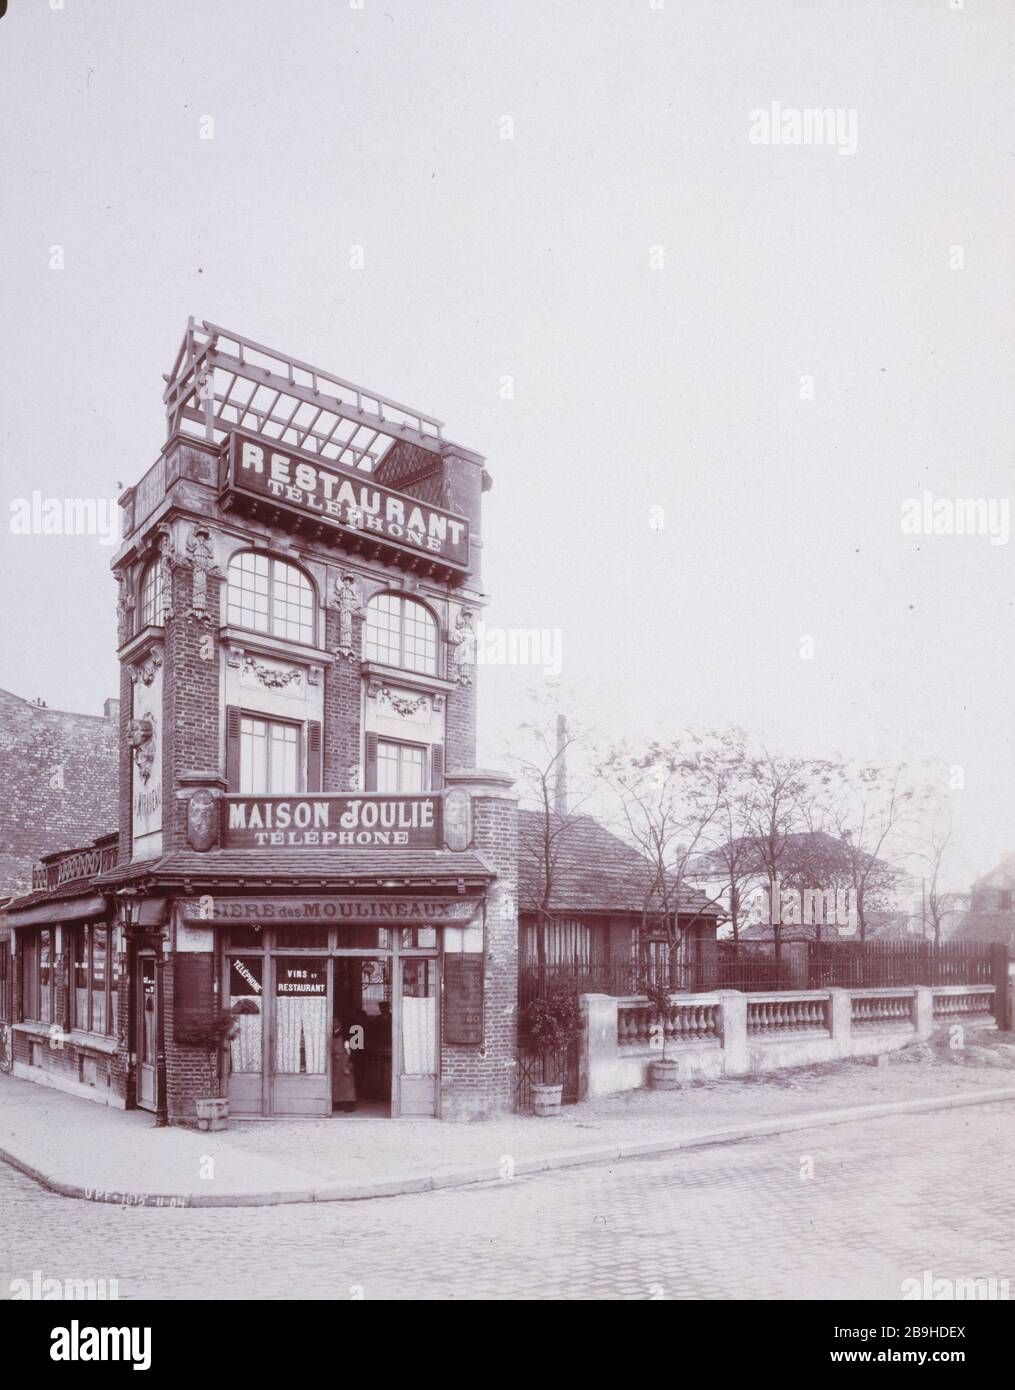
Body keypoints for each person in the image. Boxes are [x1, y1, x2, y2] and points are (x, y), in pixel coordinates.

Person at [331, 1019, 357, 1114]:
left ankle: (350, 1105)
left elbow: (349, 1050)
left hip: (344, 1061)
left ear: (340, 1023)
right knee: (337, 1084)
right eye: (333, 1022)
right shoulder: (331, 1034)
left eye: (336, 1022)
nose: (334, 1024)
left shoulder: (346, 1035)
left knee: (347, 1084)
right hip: (335, 1063)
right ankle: (338, 1104)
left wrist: (348, 1063)